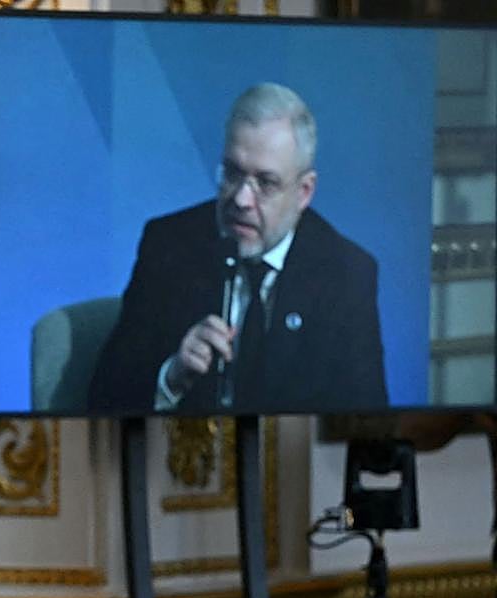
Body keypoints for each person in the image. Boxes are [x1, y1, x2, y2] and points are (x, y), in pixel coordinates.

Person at [88, 82, 388, 416]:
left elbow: (366, 421)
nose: (241, 199)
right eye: (232, 173)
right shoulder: (169, 245)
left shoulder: (346, 273)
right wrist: (172, 376)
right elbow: (103, 396)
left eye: (266, 183)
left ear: (304, 192)